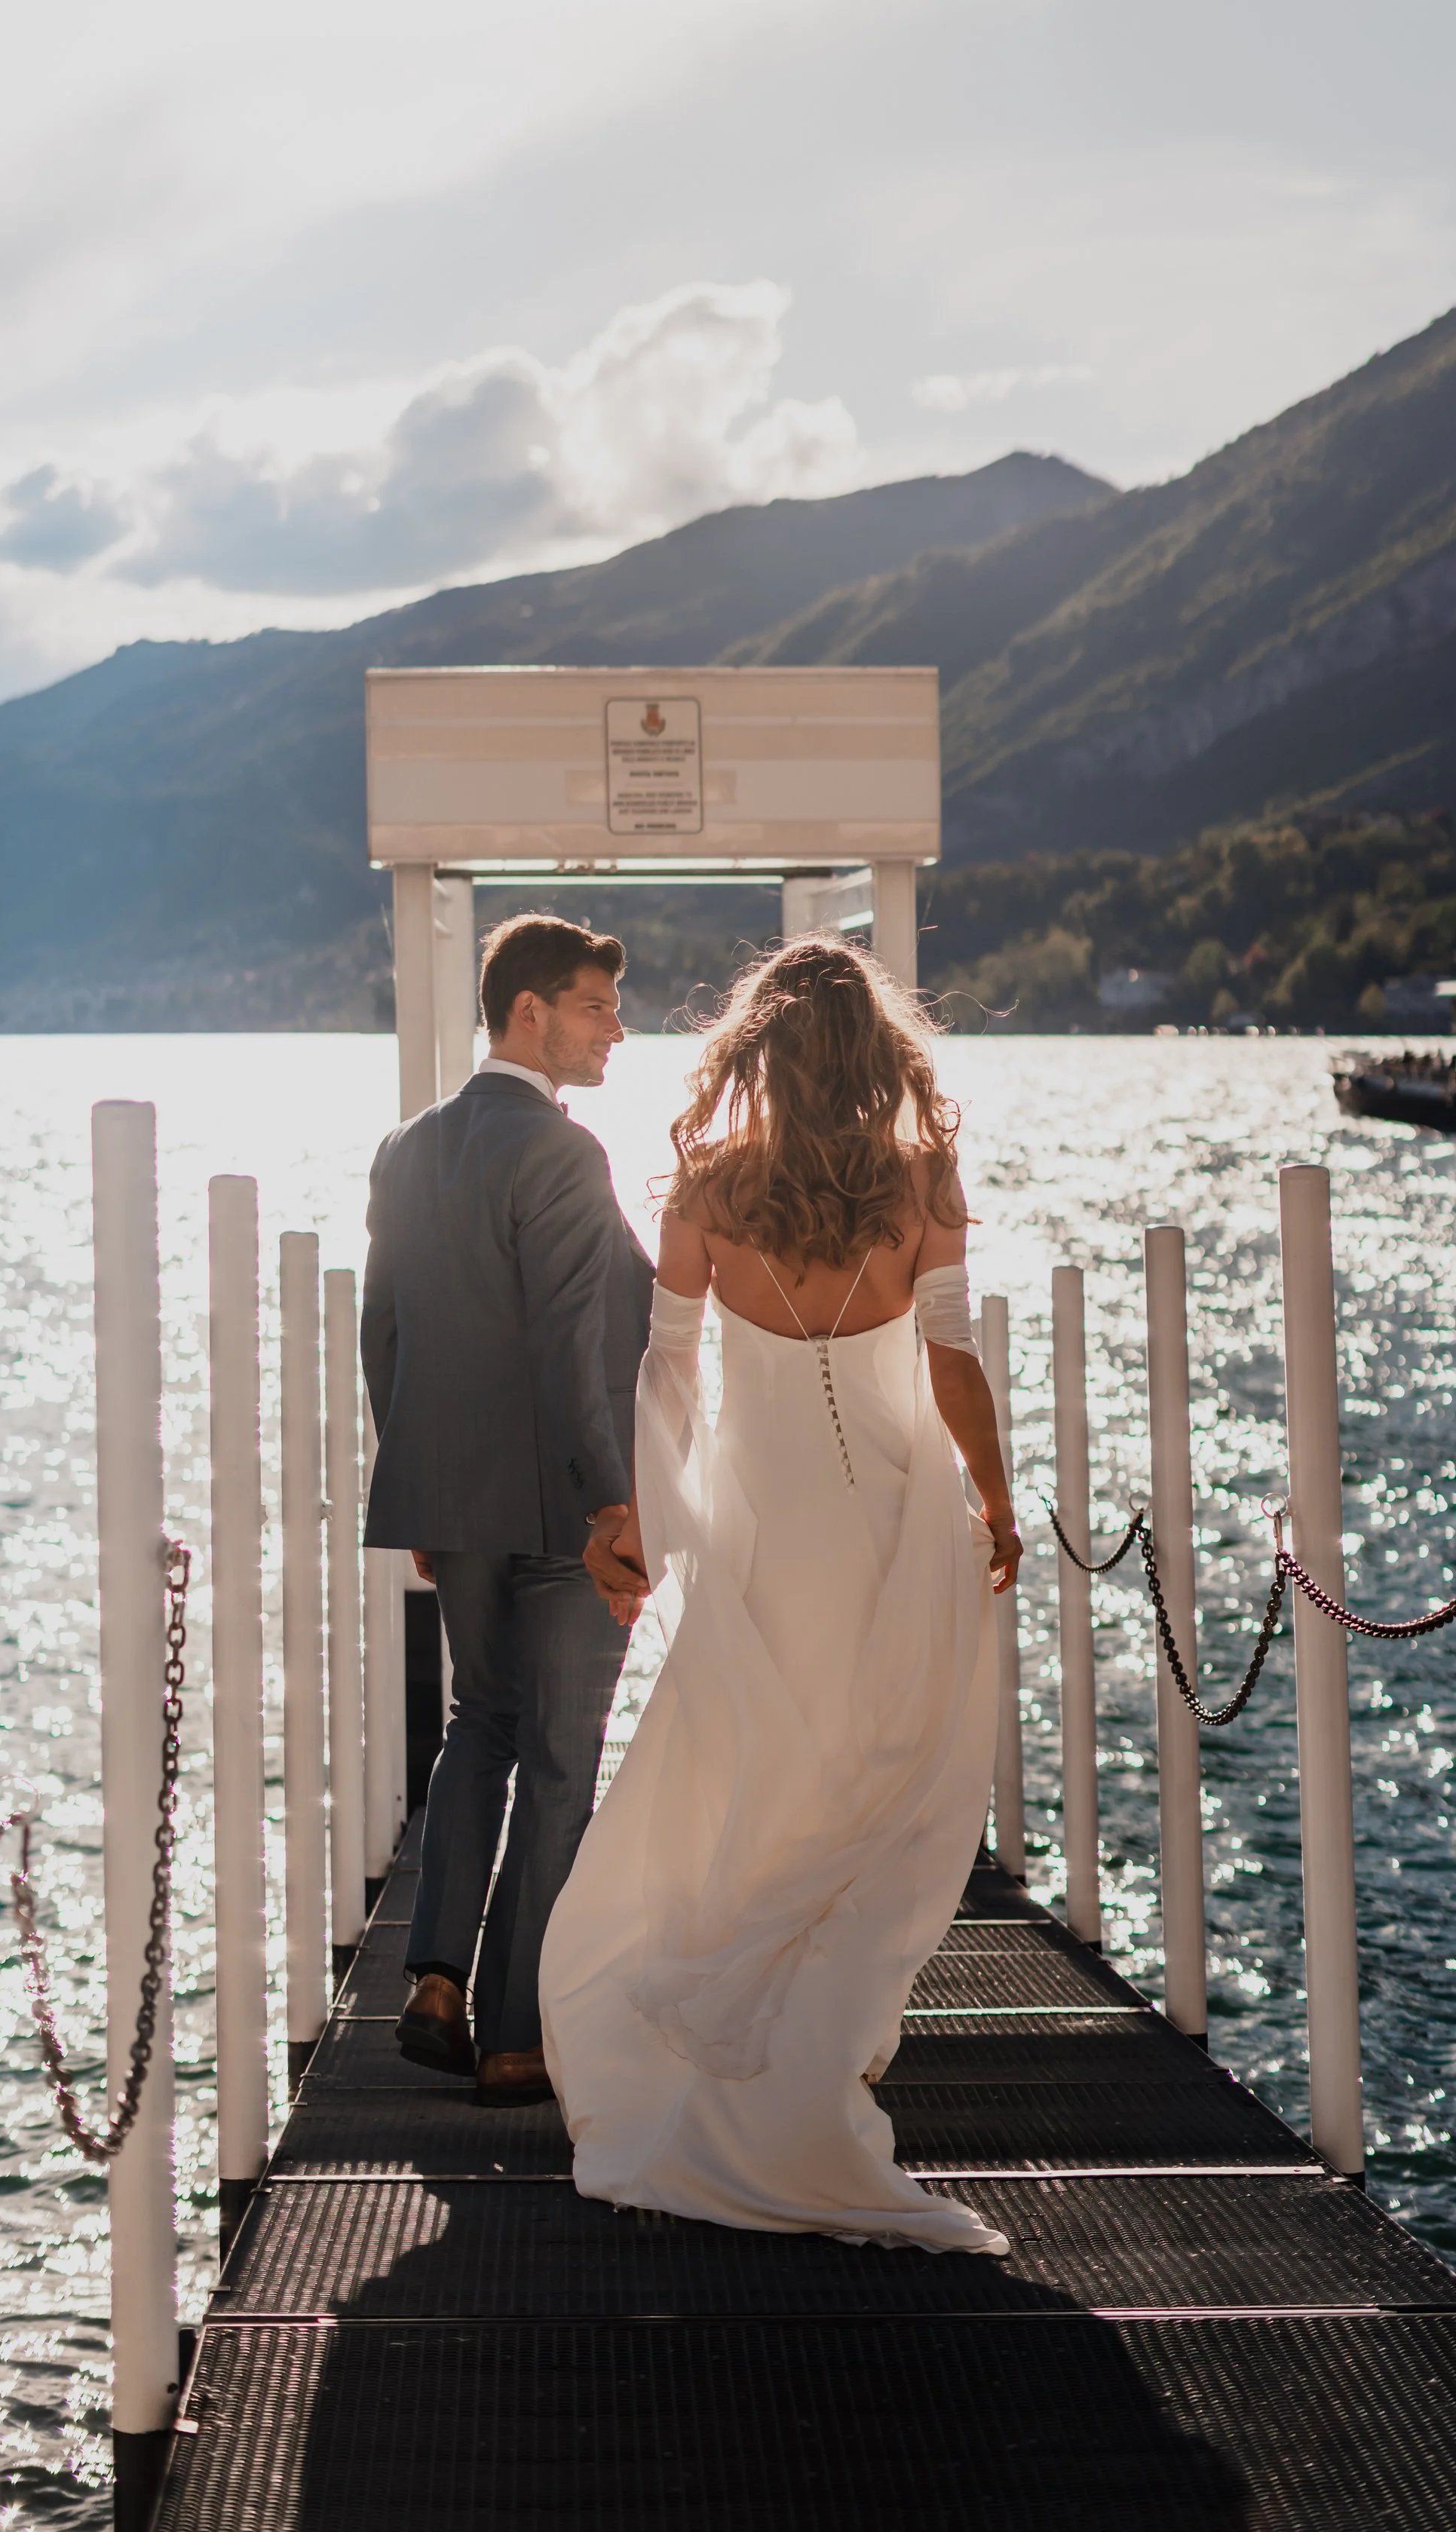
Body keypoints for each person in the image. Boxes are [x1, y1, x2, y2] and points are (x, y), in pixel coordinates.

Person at [540, 936, 1022, 2252]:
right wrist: (995, 1496)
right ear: (879, 1053)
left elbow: (670, 1367)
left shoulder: (709, 1181)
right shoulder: (922, 1176)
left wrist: (659, 1512)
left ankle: (748, 2071)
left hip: (763, 1535)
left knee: (765, 1786)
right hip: (889, 1523)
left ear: (756, 1047)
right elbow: (953, 1358)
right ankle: (816, 2062)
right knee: (875, 1788)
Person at [360, 912, 653, 2107]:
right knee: (560, 1761)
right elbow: (573, 1350)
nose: (615, 1028)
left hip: (456, 1501)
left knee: (477, 1724)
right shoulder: (565, 1154)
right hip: (559, 1505)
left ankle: (435, 1976)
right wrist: (612, 1506)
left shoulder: (407, 1149)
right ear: (528, 1009)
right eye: (595, 1005)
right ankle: (516, 2031)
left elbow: (383, 1334)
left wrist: (419, 1480)